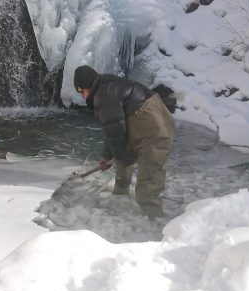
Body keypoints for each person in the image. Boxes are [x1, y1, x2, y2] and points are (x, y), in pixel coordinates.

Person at [73, 65, 175, 218]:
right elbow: (112, 128)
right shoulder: (106, 87)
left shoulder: (103, 94)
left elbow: (115, 132)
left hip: (154, 130)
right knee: (122, 159)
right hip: (144, 123)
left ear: (85, 88)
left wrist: (118, 156)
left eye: (80, 91)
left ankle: (155, 227)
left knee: (148, 189)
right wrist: (107, 157)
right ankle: (119, 204)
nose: (82, 96)